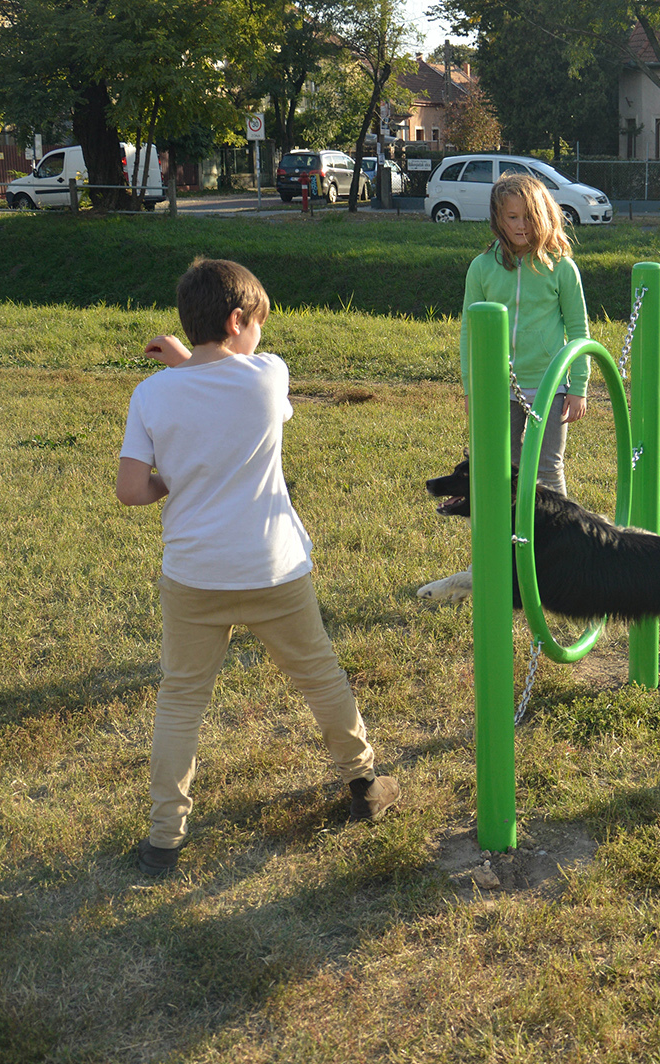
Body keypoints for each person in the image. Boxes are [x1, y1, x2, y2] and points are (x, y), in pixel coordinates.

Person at [117, 257, 400, 877]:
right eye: (258, 327)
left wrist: (178, 472)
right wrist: (190, 369)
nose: (261, 341)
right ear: (238, 320)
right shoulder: (269, 377)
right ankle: (364, 785)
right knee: (320, 676)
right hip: (275, 569)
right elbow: (233, 391)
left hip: (193, 574)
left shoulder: (149, 393)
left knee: (181, 700)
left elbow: (132, 489)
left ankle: (165, 837)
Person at [418, 171, 592, 604]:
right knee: (498, 476)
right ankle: (497, 561)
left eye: (528, 217)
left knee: (546, 472)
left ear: (545, 216)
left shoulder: (560, 268)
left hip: (549, 386)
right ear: (497, 219)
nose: (520, 226)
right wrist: (470, 387)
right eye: (511, 217)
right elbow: (469, 332)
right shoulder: (482, 267)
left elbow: (578, 329)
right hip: (499, 389)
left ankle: (559, 561)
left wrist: (579, 385)